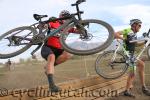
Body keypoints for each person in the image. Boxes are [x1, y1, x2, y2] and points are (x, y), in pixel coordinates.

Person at [41, 10, 78, 92]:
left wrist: (81, 26)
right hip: (48, 47)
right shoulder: (54, 22)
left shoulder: (68, 27)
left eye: (67, 17)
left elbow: (79, 31)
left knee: (68, 54)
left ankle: (48, 67)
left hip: (59, 50)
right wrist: (46, 22)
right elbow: (42, 26)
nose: (66, 18)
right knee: (51, 57)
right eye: (64, 16)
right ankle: (52, 86)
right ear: (60, 16)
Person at [115, 19, 150, 97]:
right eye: (139, 25)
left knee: (135, 72)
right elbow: (115, 34)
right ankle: (143, 88)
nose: (140, 27)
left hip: (131, 54)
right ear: (134, 25)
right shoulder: (127, 30)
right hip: (127, 54)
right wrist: (124, 39)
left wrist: (145, 42)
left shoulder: (134, 34)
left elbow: (136, 44)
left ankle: (127, 91)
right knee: (140, 66)